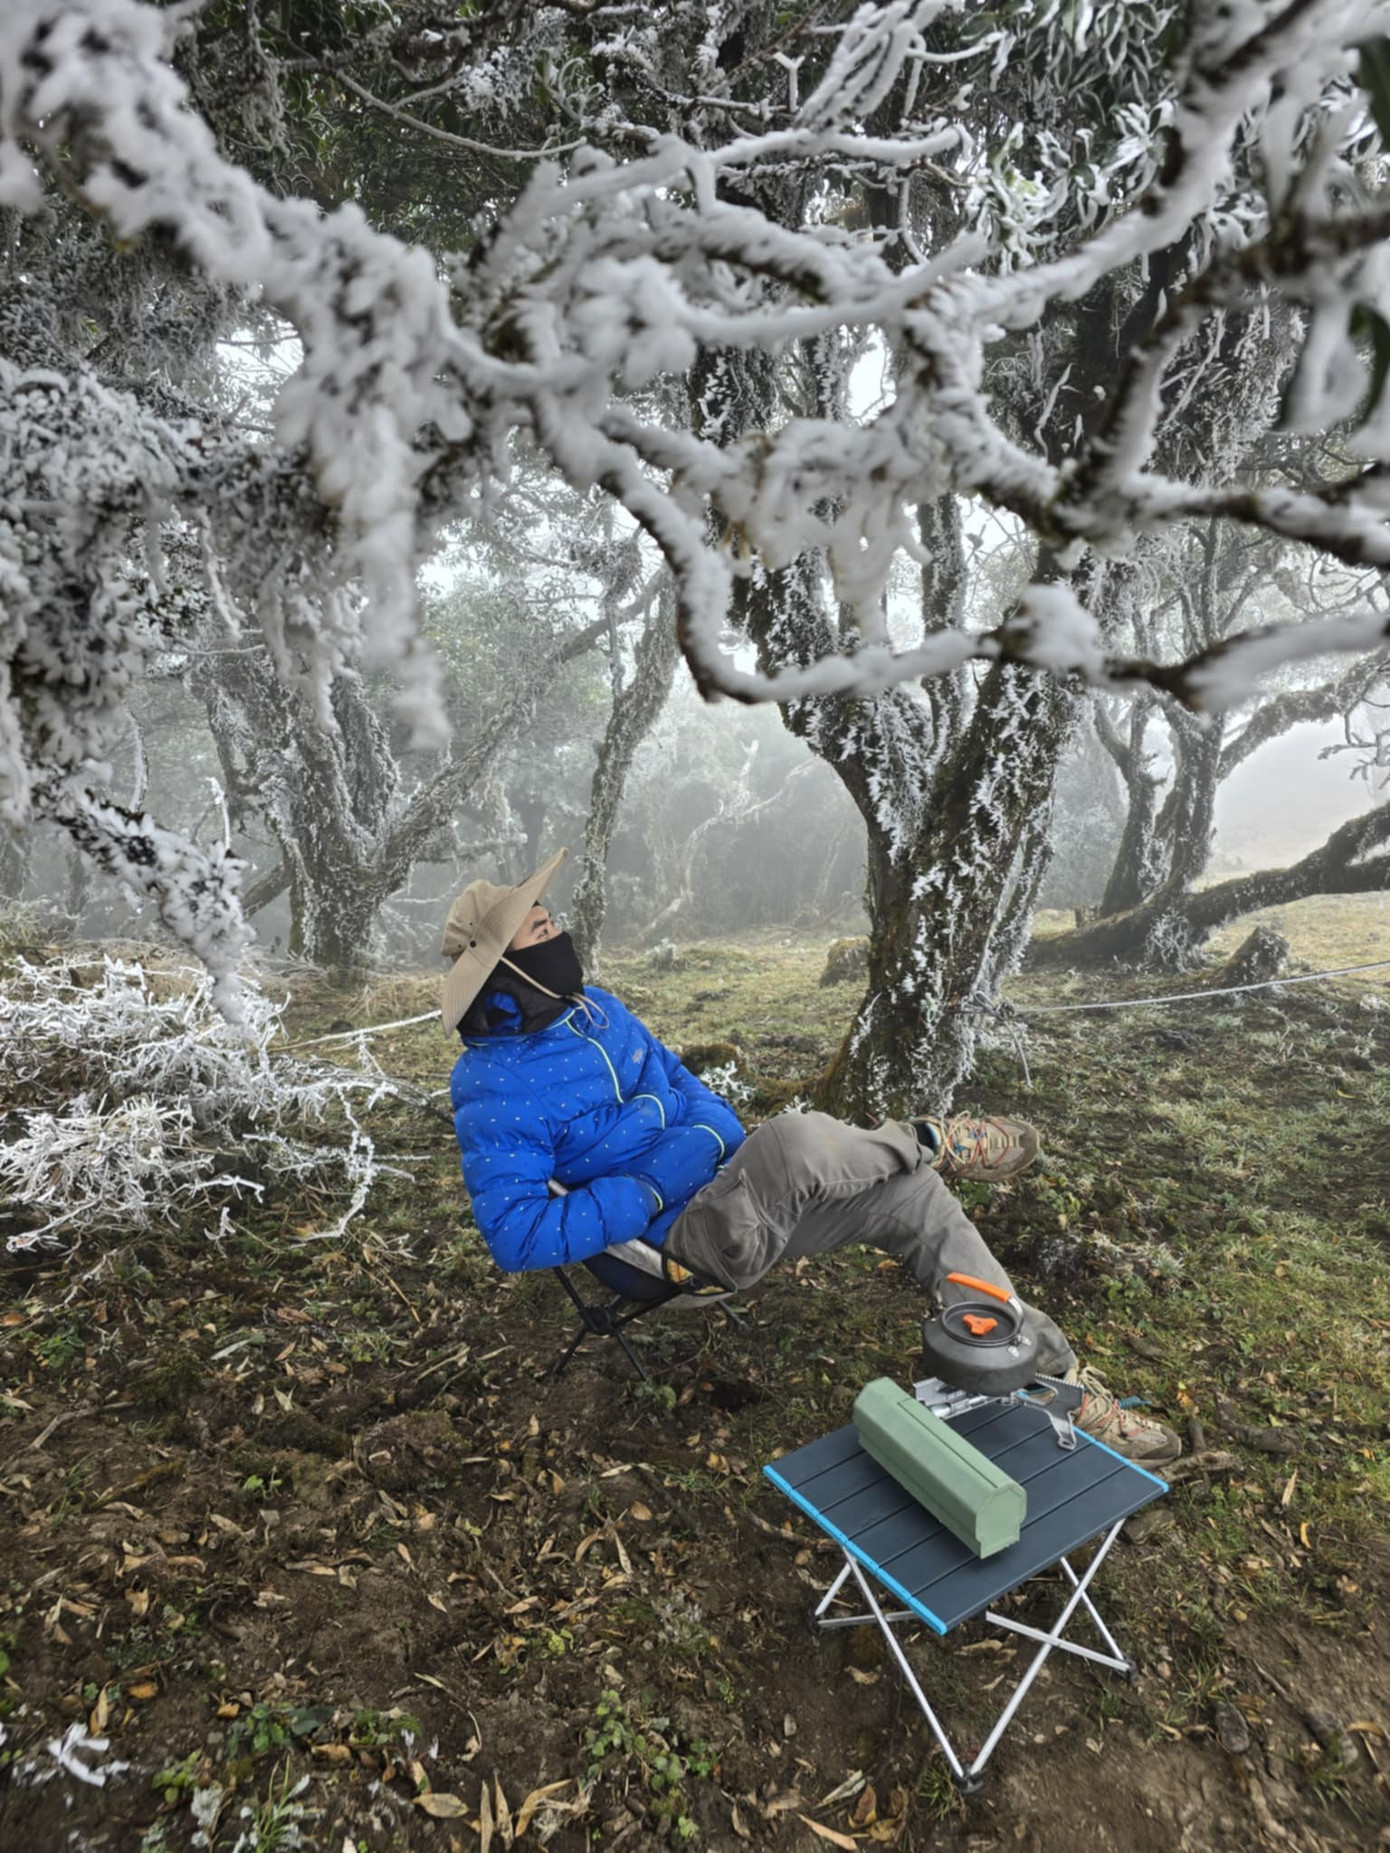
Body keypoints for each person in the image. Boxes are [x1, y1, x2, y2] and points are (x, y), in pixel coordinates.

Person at [442, 851, 1180, 1466]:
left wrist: (682, 1129)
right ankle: (929, 1135)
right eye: (541, 927)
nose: (559, 929)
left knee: (915, 1197)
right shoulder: (490, 1086)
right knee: (792, 1142)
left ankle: (1045, 1376)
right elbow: (516, 1235)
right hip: (670, 1250)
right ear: (506, 966)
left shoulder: (597, 1007)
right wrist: (646, 1179)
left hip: (738, 1194)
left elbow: (693, 1094)